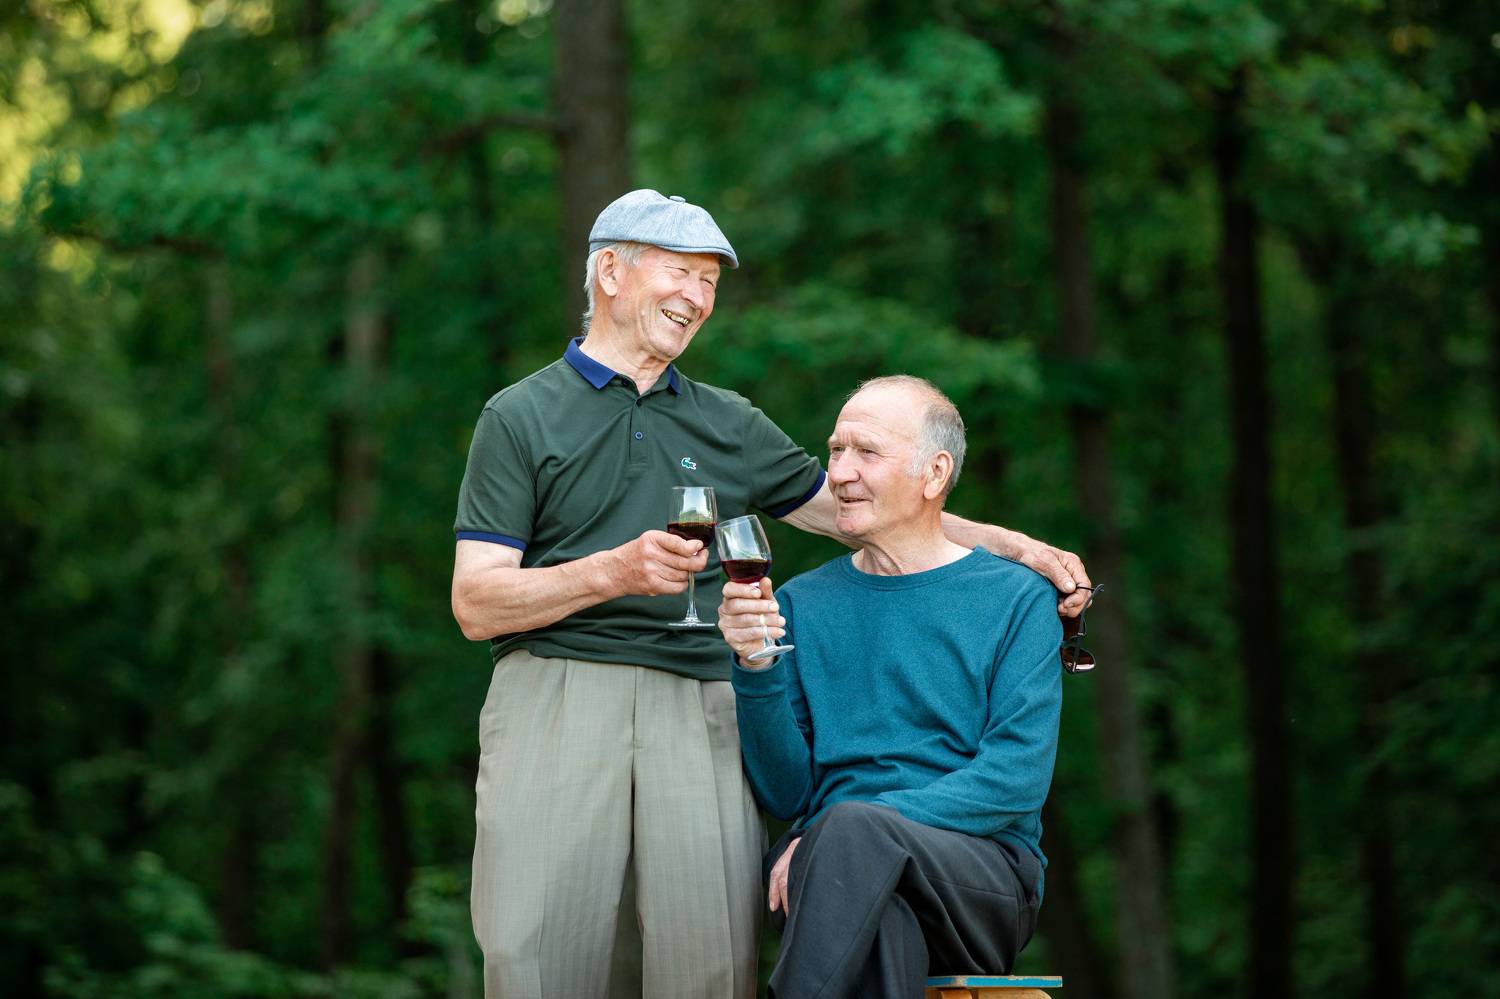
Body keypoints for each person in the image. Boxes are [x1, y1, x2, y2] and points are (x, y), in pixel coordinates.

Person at [451, 191, 1088, 999]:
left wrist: (1014, 546)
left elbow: (868, 508)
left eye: (711, 282)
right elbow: (476, 602)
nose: (697, 296)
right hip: (558, 687)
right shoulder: (518, 415)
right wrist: (613, 572)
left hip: (703, 699)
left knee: (708, 964)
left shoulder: (730, 423)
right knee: (540, 958)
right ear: (610, 271)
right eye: (680, 272)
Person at [716, 375, 1065, 999]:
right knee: (882, 931)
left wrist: (848, 827)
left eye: (866, 452)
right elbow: (787, 791)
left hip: (977, 881)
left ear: (934, 474)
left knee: (852, 831)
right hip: (832, 881)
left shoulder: (1016, 599)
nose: (840, 473)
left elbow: (1014, 779)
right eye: (835, 450)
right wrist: (755, 665)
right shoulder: (800, 603)